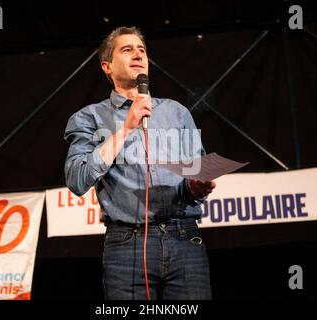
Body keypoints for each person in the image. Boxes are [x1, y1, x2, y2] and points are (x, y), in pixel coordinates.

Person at [64, 26, 215, 299]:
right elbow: (76, 178)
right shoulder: (89, 117)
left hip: (185, 239)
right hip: (126, 246)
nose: (138, 54)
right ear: (106, 66)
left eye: (142, 50)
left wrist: (196, 187)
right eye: (127, 49)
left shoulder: (177, 112)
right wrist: (125, 129)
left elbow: (195, 172)